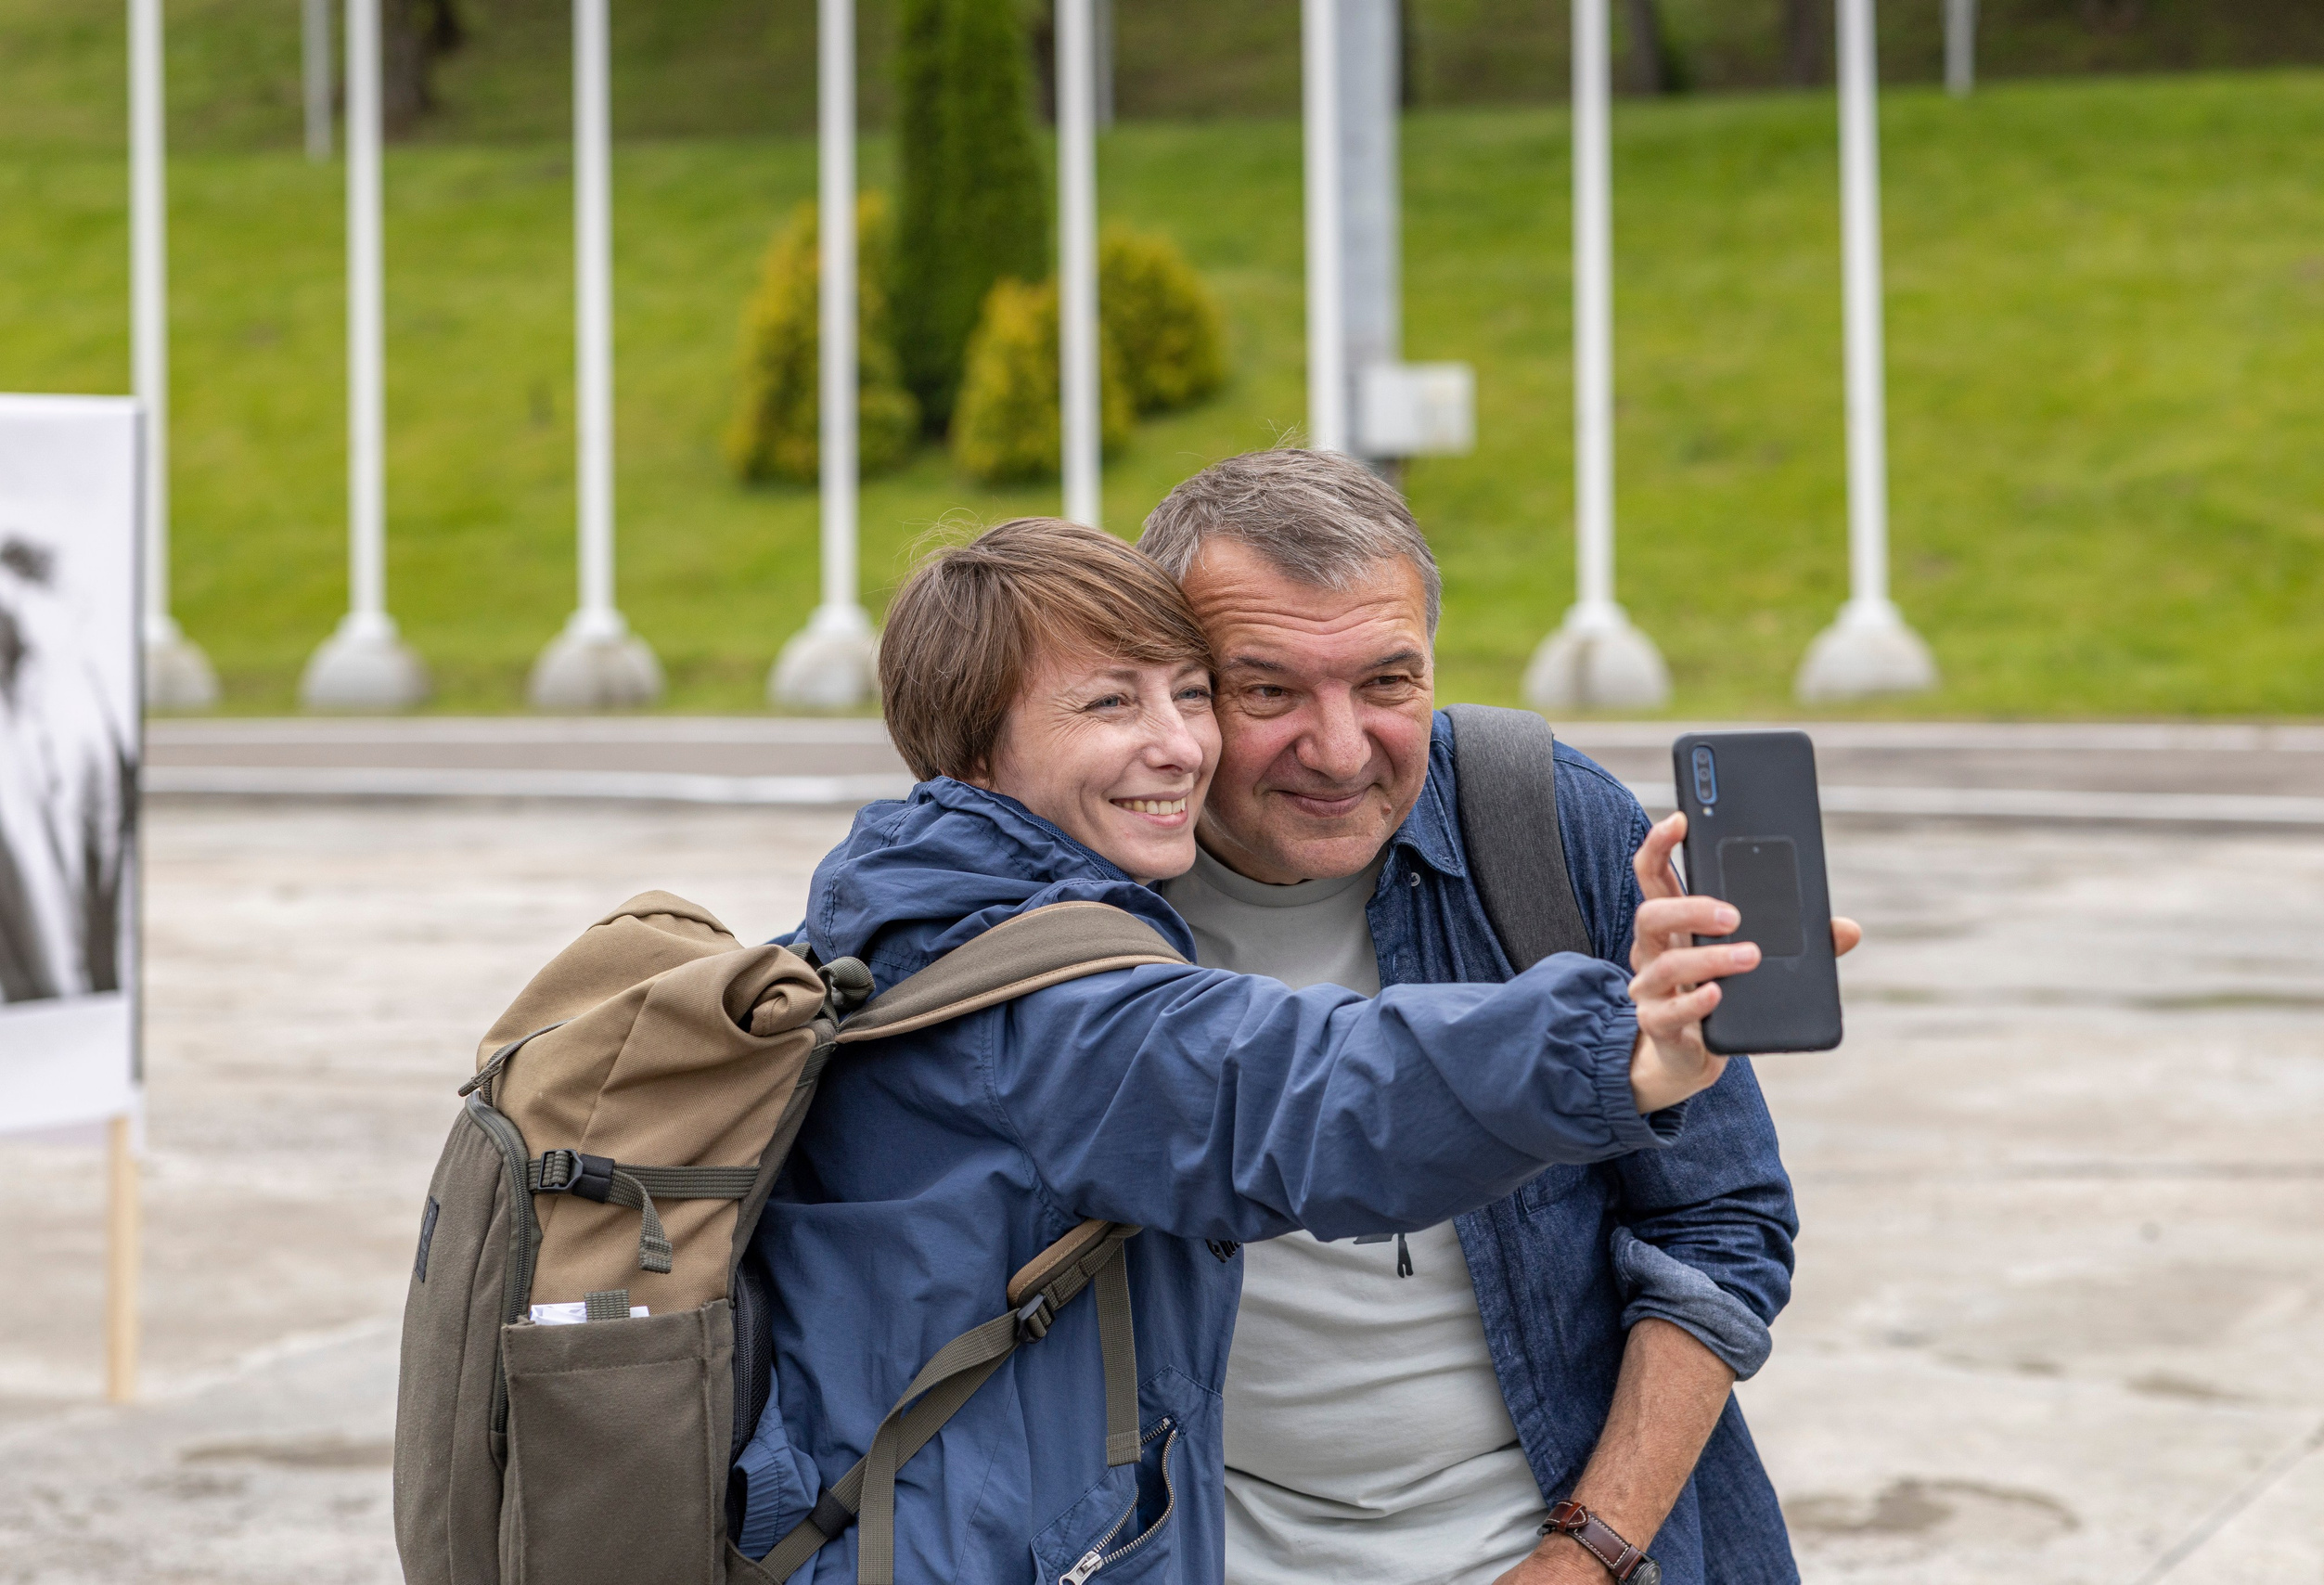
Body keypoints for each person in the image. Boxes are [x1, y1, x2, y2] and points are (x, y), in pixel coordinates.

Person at [733, 518, 1773, 1584]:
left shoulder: (909, 888)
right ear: (971, 750)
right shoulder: (1024, 963)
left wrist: (1589, 1548)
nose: (1181, 743)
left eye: (1186, 693)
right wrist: (1619, 1049)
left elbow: (1723, 1222)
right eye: (1112, 701)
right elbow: (1288, 1094)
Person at [1137, 449, 1856, 1585]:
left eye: (1387, 682)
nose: (1337, 750)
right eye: (1267, 689)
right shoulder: (1082, 885)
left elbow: (1720, 1225)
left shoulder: (1537, 819)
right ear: (1172, 690)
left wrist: (1588, 1553)